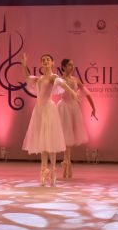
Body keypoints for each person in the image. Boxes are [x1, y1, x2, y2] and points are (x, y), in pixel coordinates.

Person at [21, 53, 77, 187]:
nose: (45, 61)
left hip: (49, 111)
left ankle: (52, 171)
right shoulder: (39, 78)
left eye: (48, 60)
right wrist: (24, 65)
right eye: (43, 60)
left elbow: (62, 83)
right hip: (39, 111)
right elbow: (27, 77)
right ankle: (43, 170)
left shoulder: (53, 77)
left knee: (50, 141)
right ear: (41, 63)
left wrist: (72, 92)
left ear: (52, 63)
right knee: (42, 143)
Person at [57, 58, 97, 179]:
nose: (72, 67)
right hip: (63, 108)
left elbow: (87, 93)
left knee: (70, 135)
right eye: (69, 65)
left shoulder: (75, 80)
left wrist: (93, 107)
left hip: (73, 108)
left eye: (72, 65)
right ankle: (66, 162)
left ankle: (67, 162)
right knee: (65, 135)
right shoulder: (59, 80)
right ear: (63, 67)